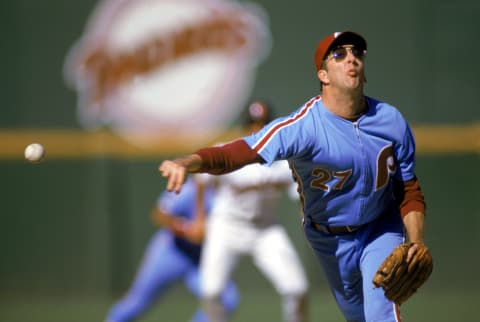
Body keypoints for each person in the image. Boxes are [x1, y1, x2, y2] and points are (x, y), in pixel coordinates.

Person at [158, 31, 430, 322]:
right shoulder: (302, 128)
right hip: (330, 239)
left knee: (381, 314)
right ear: (323, 74)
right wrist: (188, 161)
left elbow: (408, 188)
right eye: (339, 54)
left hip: (380, 226)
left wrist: (415, 240)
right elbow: (239, 152)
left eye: (357, 53)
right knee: (358, 317)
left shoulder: (391, 121)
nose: (351, 57)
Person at [195, 100, 309, 322]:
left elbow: (301, 196)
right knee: (211, 291)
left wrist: (306, 216)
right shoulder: (228, 151)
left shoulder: (283, 161)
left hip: (264, 229)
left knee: (297, 289)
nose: (257, 129)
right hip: (226, 226)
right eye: (253, 123)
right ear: (245, 126)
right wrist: (199, 218)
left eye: (263, 123)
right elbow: (200, 178)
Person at [105, 178, 239, 322]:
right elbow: (160, 215)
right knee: (136, 303)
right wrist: (186, 229)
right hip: (172, 252)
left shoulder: (227, 194)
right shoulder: (188, 190)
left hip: (200, 260)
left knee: (225, 299)